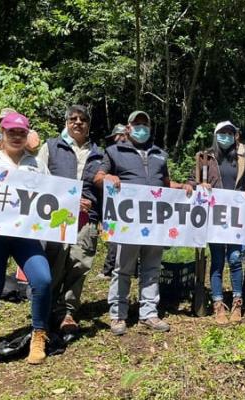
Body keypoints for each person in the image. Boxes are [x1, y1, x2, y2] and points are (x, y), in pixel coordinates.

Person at [0, 113, 52, 374]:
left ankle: (39, 336)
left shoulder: (36, 164)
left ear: (28, 136)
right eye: (11, 131)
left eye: (21, 132)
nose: (16, 136)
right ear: (2, 133)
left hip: (25, 234)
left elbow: (50, 194)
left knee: (43, 279)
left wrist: (73, 203)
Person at [94, 110, 173, 335]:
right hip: (127, 222)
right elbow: (98, 178)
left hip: (155, 221)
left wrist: (186, 188)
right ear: (128, 128)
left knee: (152, 267)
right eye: (136, 124)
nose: (141, 128)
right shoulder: (113, 151)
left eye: (145, 124)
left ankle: (149, 313)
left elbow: (167, 185)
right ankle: (118, 314)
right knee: (123, 268)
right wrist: (107, 178)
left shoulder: (160, 154)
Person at [36, 105, 103, 335]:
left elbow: (104, 188)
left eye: (83, 119)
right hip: (56, 217)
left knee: (79, 265)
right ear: (66, 122)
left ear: (88, 124)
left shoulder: (99, 153)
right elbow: (36, 179)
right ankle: (46, 308)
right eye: (73, 118)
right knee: (54, 263)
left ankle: (68, 312)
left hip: (87, 219)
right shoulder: (51, 147)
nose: (78, 122)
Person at [184, 121, 245, 325]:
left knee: (235, 258)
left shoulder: (242, 157)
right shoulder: (205, 157)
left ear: (235, 136)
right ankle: (218, 304)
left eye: (230, 133)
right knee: (217, 260)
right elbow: (192, 181)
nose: (226, 136)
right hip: (214, 217)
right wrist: (199, 184)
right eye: (222, 133)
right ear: (216, 135)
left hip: (236, 217)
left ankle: (237, 301)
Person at [98, 123, 129, 279]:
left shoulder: (134, 155)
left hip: (131, 203)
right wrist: (108, 177)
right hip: (113, 201)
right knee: (112, 236)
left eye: (122, 136)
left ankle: (129, 268)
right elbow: (98, 177)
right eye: (117, 137)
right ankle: (109, 269)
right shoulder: (110, 154)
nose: (119, 139)